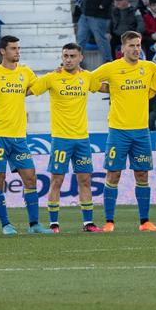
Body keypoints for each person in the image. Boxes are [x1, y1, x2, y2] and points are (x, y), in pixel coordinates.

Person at [89, 30, 156, 231]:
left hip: (141, 131)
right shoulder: (112, 68)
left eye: (138, 45)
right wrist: (106, 88)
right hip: (118, 131)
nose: (136, 49)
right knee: (113, 174)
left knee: (142, 175)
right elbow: (90, 80)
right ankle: (109, 222)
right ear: (122, 49)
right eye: (132, 45)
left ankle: (145, 221)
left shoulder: (149, 67)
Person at [0, 35, 46, 234]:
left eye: (18, 48)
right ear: (3, 51)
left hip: (19, 136)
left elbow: (36, 88)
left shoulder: (26, 72)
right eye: (13, 48)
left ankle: (34, 225)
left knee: (30, 177)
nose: (17, 52)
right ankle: (6, 224)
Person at [32, 43, 99, 231]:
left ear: (80, 58)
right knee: (57, 181)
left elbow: (104, 87)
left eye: (72, 56)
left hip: (82, 139)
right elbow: (30, 89)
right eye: (65, 56)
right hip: (61, 139)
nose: (68, 59)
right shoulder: (52, 78)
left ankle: (88, 223)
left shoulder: (87, 77)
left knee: (85, 180)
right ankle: (54, 223)